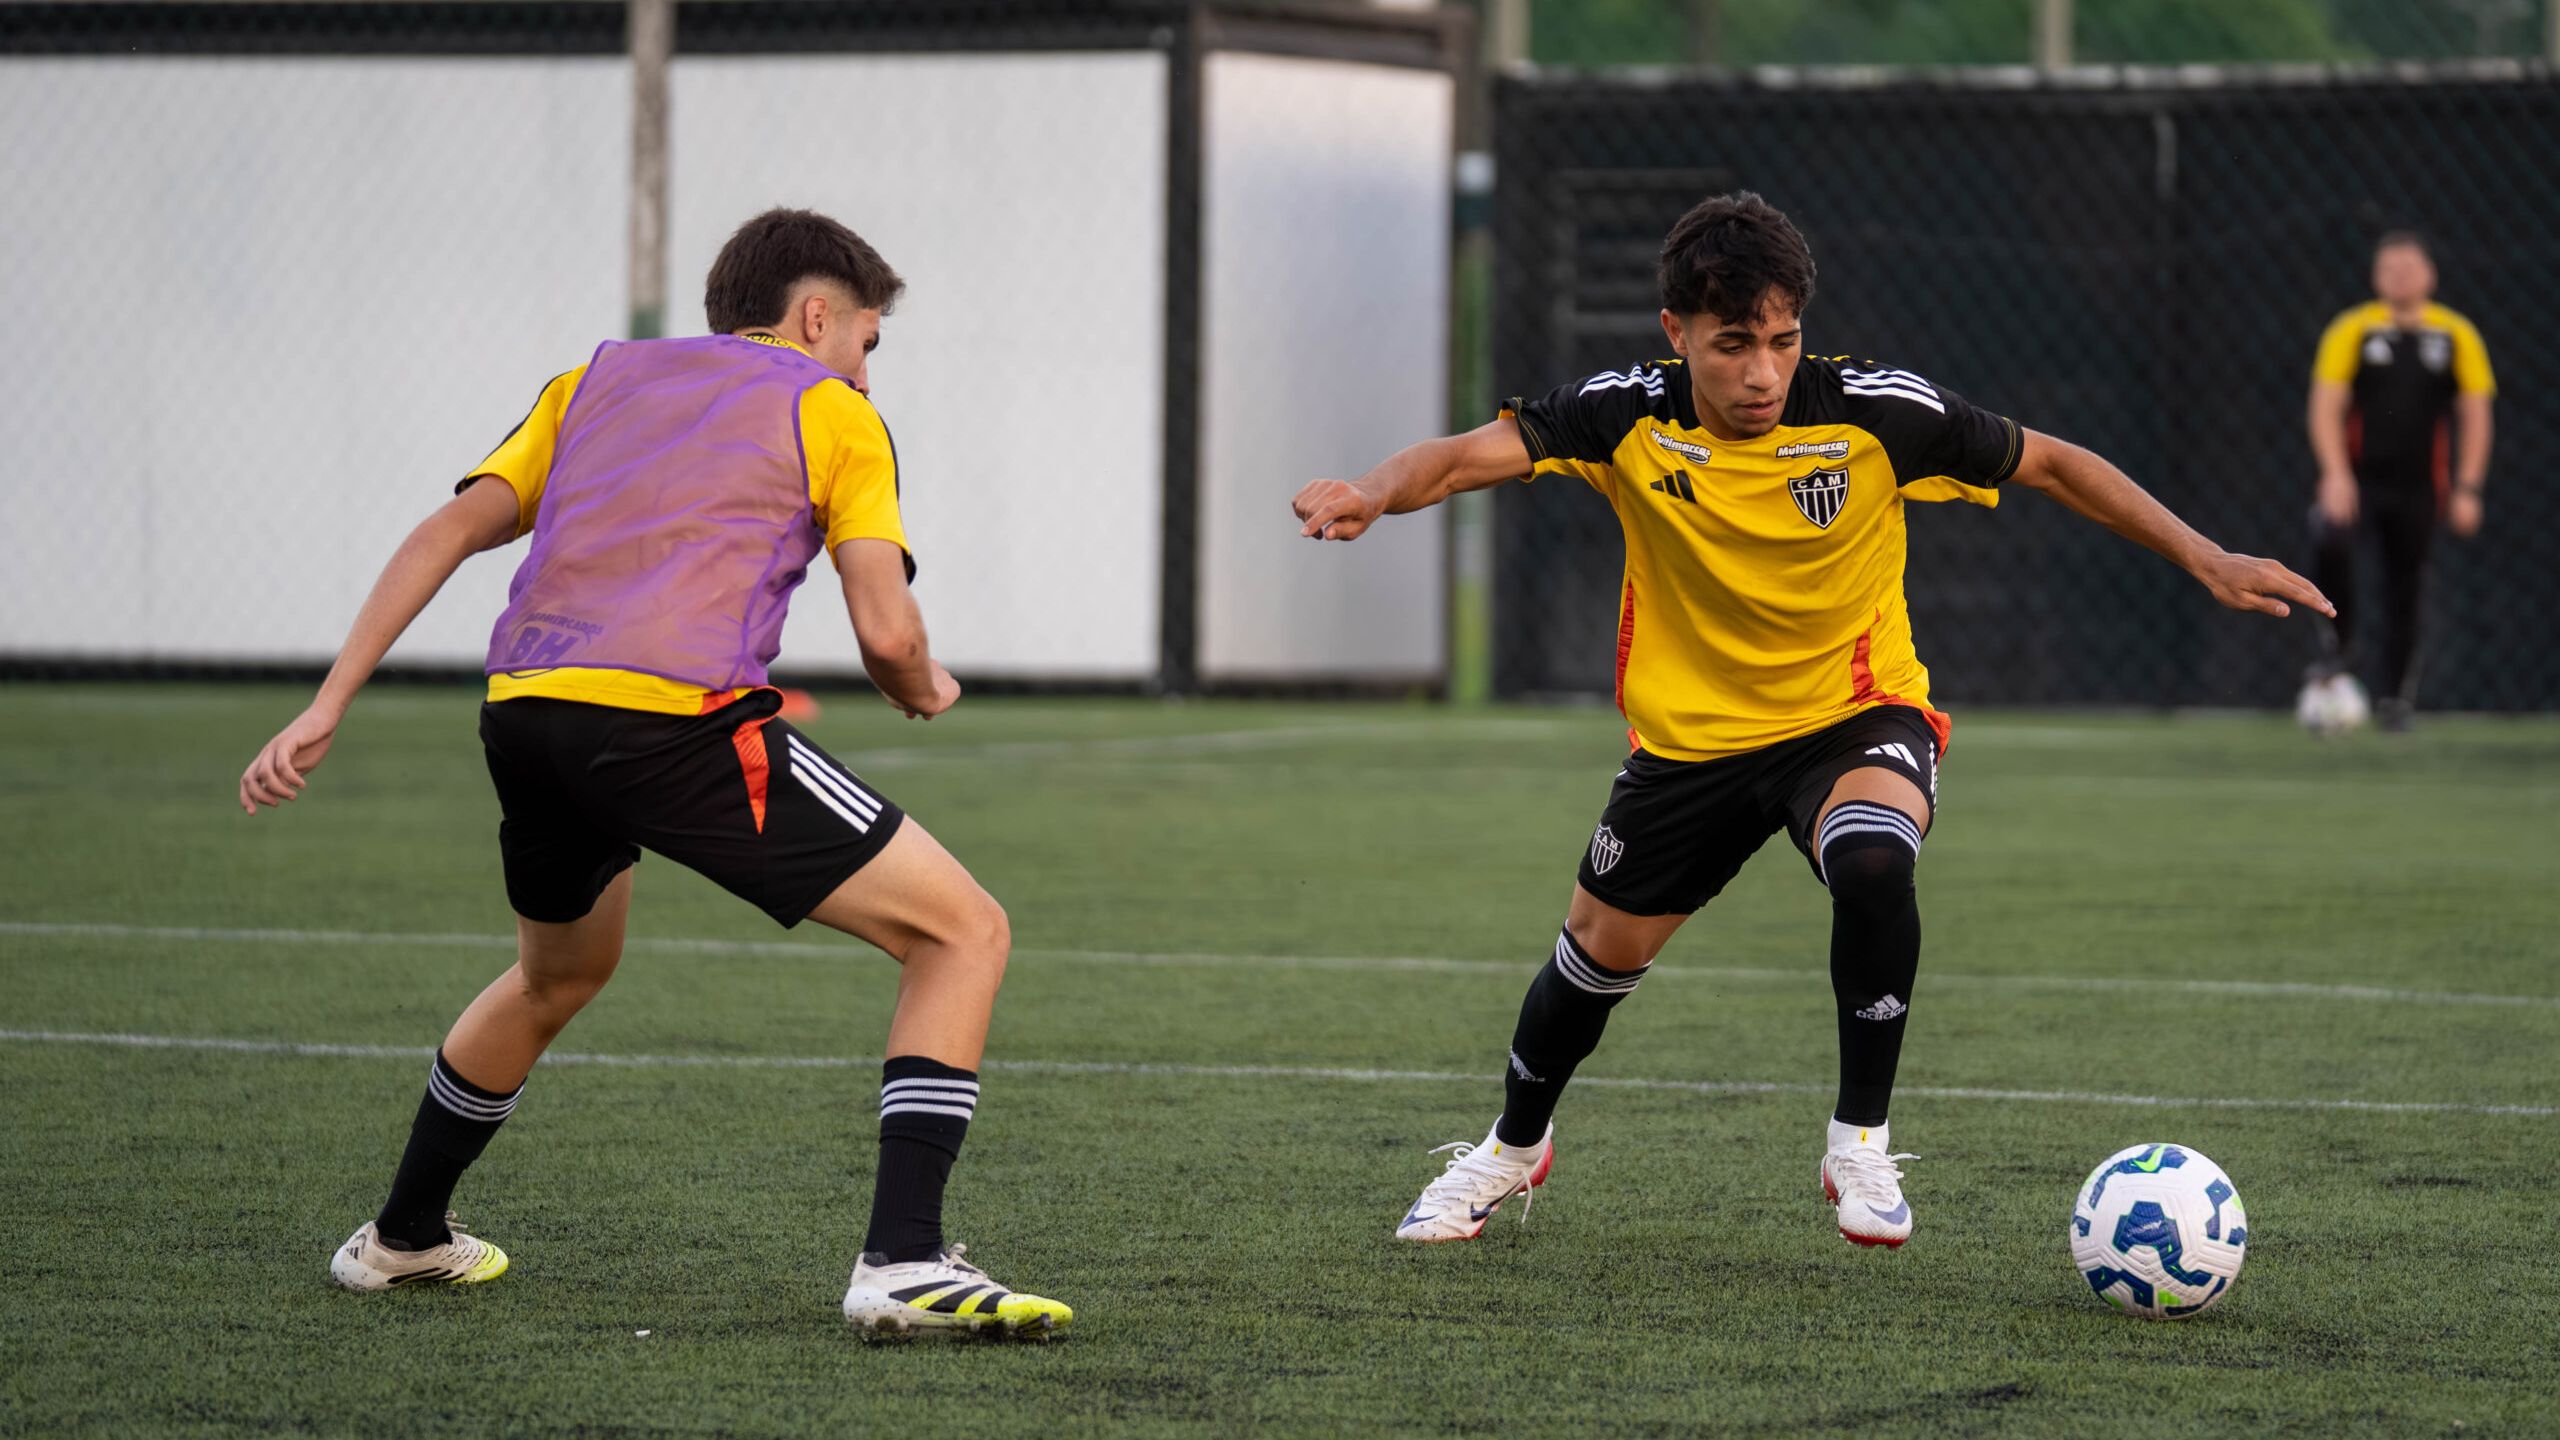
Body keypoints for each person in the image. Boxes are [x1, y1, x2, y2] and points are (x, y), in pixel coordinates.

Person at [1290, 191, 2330, 1250]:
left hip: (1853, 715)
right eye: (1732, 344)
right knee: (1592, 962)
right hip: (1692, 746)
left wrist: (2207, 556)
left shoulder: (1877, 413)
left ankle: (1859, 1143)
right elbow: (1460, 457)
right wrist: (1373, 491)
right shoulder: (1622, 414)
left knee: (1874, 857)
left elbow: (2052, 462)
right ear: (1676, 333)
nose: (1762, 373)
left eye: (1782, 342)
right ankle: (1511, 1150)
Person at [237, 208, 1071, 1338]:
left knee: (555, 975)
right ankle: (904, 1262)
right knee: (962, 932)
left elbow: (448, 530)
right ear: (815, 317)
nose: (868, 372)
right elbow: (887, 631)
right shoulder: (833, 410)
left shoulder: (592, 382)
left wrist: (327, 701)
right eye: (867, 342)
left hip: (526, 714)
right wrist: (922, 684)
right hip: (676, 726)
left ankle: (403, 1239)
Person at [2300, 231, 2496, 733]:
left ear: (2430, 275)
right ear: (2375, 276)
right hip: (2359, 481)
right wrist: (2335, 474)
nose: (2400, 276)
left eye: (2409, 267)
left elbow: (2475, 413)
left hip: (2421, 486)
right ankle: (2339, 648)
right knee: (2330, 540)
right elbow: (2326, 404)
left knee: (2405, 585)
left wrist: (2468, 487)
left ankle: (2395, 698)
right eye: (2389, 268)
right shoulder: (2353, 329)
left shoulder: (2455, 334)